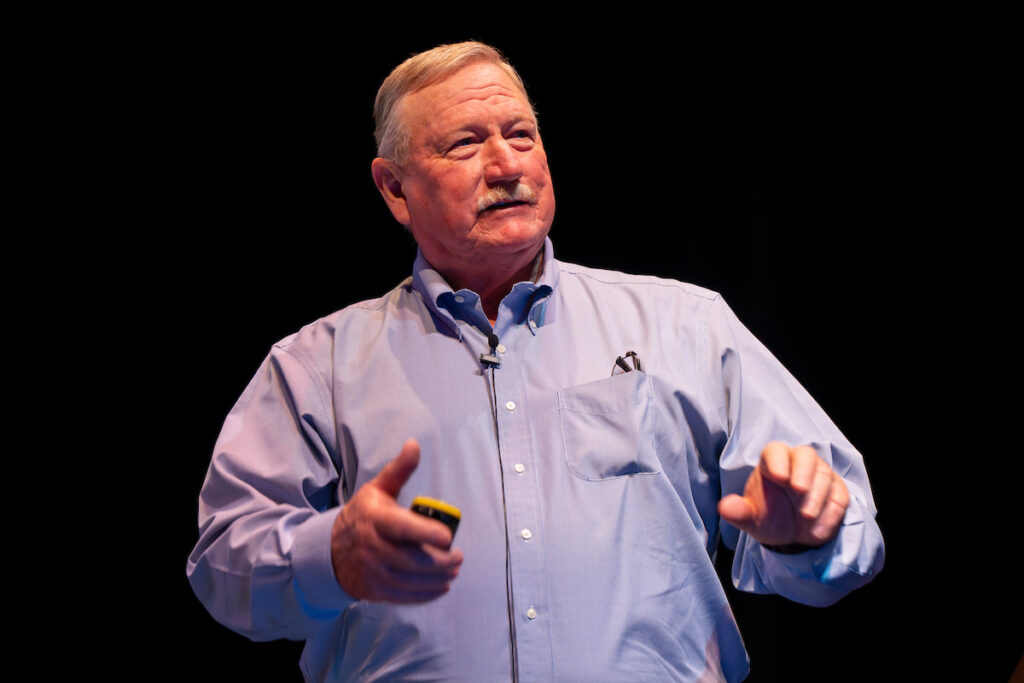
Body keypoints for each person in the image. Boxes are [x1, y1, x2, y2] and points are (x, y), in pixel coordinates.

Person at [187, 41, 884, 681]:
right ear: (394, 189)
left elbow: (851, 541)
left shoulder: (687, 326)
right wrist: (331, 555)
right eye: (466, 143)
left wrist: (810, 535)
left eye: (520, 135)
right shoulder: (319, 366)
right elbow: (223, 569)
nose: (507, 164)